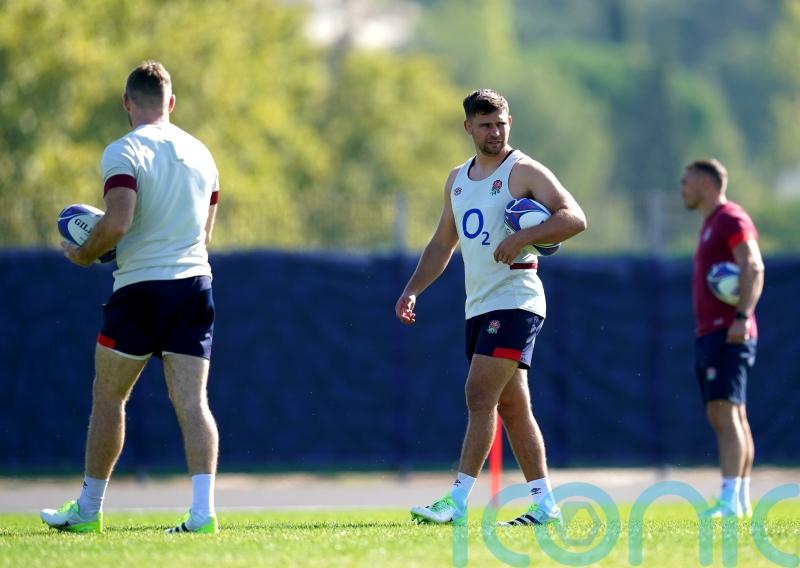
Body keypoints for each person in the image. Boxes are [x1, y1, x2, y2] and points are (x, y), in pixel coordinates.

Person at [40, 61, 221, 534]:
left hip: (140, 289)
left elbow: (118, 222)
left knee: (109, 397)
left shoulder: (124, 150)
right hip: (194, 285)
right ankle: (203, 515)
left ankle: (88, 510)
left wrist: (84, 254)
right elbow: (205, 232)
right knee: (193, 402)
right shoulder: (202, 153)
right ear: (172, 104)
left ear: (127, 102)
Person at [395, 89, 587, 526]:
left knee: (478, 394)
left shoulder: (524, 171)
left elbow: (574, 217)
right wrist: (412, 290)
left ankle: (457, 501)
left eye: (500, 123)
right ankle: (545, 506)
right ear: (468, 127)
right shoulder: (457, 179)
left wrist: (521, 238)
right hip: (479, 306)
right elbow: (443, 242)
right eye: (485, 125)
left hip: (517, 300)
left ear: (509, 122)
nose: (494, 132)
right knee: (513, 409)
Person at [680, 158, 764, 518]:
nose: (682, 188)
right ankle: (740, 501)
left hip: (728, 330)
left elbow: (753, 265)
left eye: (687, 181)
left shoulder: (730, 217)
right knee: (727, 413)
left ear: (706, 185)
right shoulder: (710, 224)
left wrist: (742, 317)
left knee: (727, 412)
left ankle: (731, 500)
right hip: (712, 331)